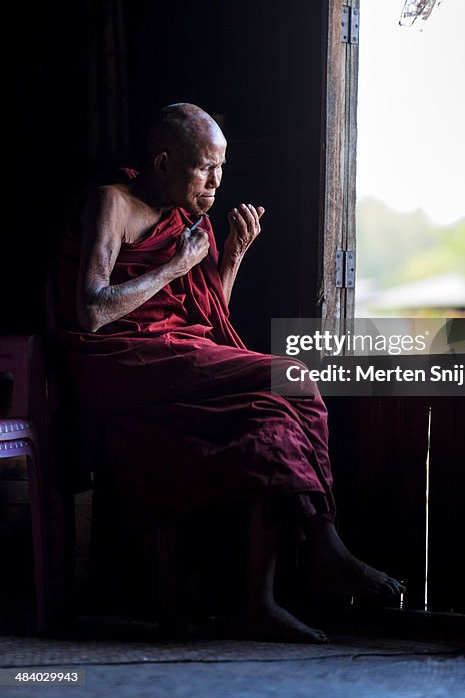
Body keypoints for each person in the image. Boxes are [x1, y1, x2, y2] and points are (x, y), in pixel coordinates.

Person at [57, 102, 403, 642]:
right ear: (164, 161)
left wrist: (232, 256)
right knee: (293, 377)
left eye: (222, 167)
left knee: (274, 421)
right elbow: (93, 310)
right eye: (204, 167)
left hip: (176, 357)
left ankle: (258, 602)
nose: (217, 182)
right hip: (120, 363)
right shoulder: (113, 203)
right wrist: (176, 264)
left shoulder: (190, 224)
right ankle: (326, 542)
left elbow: (205, 316)